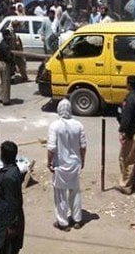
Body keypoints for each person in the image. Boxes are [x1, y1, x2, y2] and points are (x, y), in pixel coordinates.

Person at [47, 99, 87, 231]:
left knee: (60, 195)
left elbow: (52, 147)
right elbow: (83, 146)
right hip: (75, 164)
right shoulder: (78, 125)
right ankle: (77, 219)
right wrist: (82, 160)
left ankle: (63, 222)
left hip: (60, 165)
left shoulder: (54, 126)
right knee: (75, 192)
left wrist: (49, 162)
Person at [0, 141, 25, 254]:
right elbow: (4, 194)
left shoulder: (9, 177)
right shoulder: (11, 170)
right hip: (5, 217)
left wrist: (12, 226)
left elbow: (13, 203)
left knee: (6, 249)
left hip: (8, 222)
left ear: (3, 156)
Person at [0, 30, 15, 106]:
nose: (10, 37)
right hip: (5, 64)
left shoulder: (2, 43)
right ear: (6, 36)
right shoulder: (6, 45)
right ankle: (6, 100)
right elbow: (8, 57)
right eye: (9, 35)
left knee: (2, 81)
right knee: (6, 82)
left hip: (0, 63)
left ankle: (1, 97)